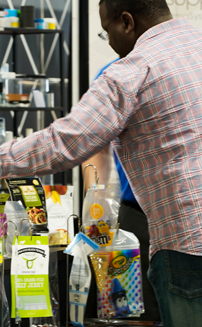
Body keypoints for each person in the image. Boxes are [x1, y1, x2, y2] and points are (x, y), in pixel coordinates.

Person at [0, 0, 202, 327]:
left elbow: (66, 142)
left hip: (188, 242)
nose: (111, 42)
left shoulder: (132, 72)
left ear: (127, 21)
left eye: (108, 30)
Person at [81, 60, 161, 322]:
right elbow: (95, 146)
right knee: (133, 312)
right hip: (136, 217)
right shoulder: (113, 74)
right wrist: (97, 210)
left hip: (185, 215)